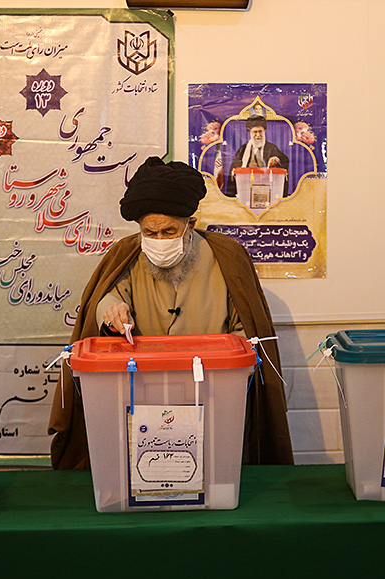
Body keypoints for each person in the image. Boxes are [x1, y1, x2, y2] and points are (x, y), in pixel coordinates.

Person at [48, 156, 294, 469]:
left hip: (212, 393)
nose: (159, 241)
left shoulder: (226, 256)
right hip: (140, 393)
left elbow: (245, 330)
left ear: (190, 223)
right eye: (150, 233)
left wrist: (224, 365)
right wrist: (110, 310)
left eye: (169, 231)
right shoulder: (127, 255)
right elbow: (108, 297)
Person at [226, 115, 289, 197]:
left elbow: (284, 160)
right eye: (255, 132)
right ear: (250, 133)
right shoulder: (243, 149)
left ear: (265, 131)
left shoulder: (271, 148)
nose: (258, 135)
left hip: (267, 185)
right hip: (247, 185)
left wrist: (276, 159)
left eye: (260, 131)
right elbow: (234, 169)